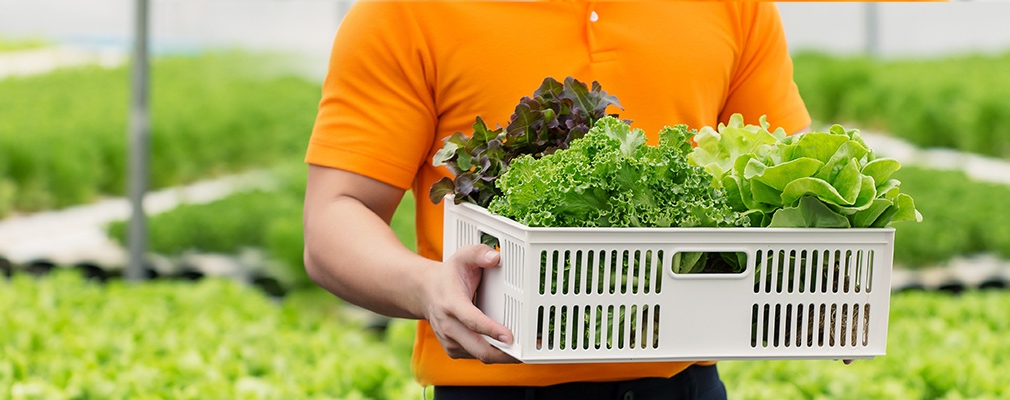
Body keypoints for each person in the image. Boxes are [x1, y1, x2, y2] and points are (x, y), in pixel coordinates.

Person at [303, 2, 811, 399]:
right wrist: (426, 287)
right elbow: (336, 214)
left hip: (685, 387)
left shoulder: (736, 6)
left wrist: (819, 290)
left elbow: (780, 179)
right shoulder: (406, 12)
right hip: (495, 388)